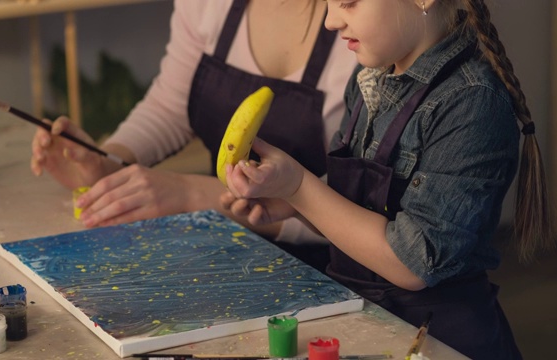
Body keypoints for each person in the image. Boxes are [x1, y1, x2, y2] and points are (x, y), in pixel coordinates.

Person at [220, 1, 554, 359]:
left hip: (439, 337)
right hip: (366, 323)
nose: (330, 21)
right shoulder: (368, 79)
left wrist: (300, 188)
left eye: (348, 2)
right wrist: (290, 204)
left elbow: (412, 263)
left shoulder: (472, 102)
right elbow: (355, 213)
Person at [30, 0, 357, 271]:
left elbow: (372, 209)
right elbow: (170, 105)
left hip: (330, 270)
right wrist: (108, 161)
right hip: (223, 250)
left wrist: (194, 195)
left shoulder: (361, 20)